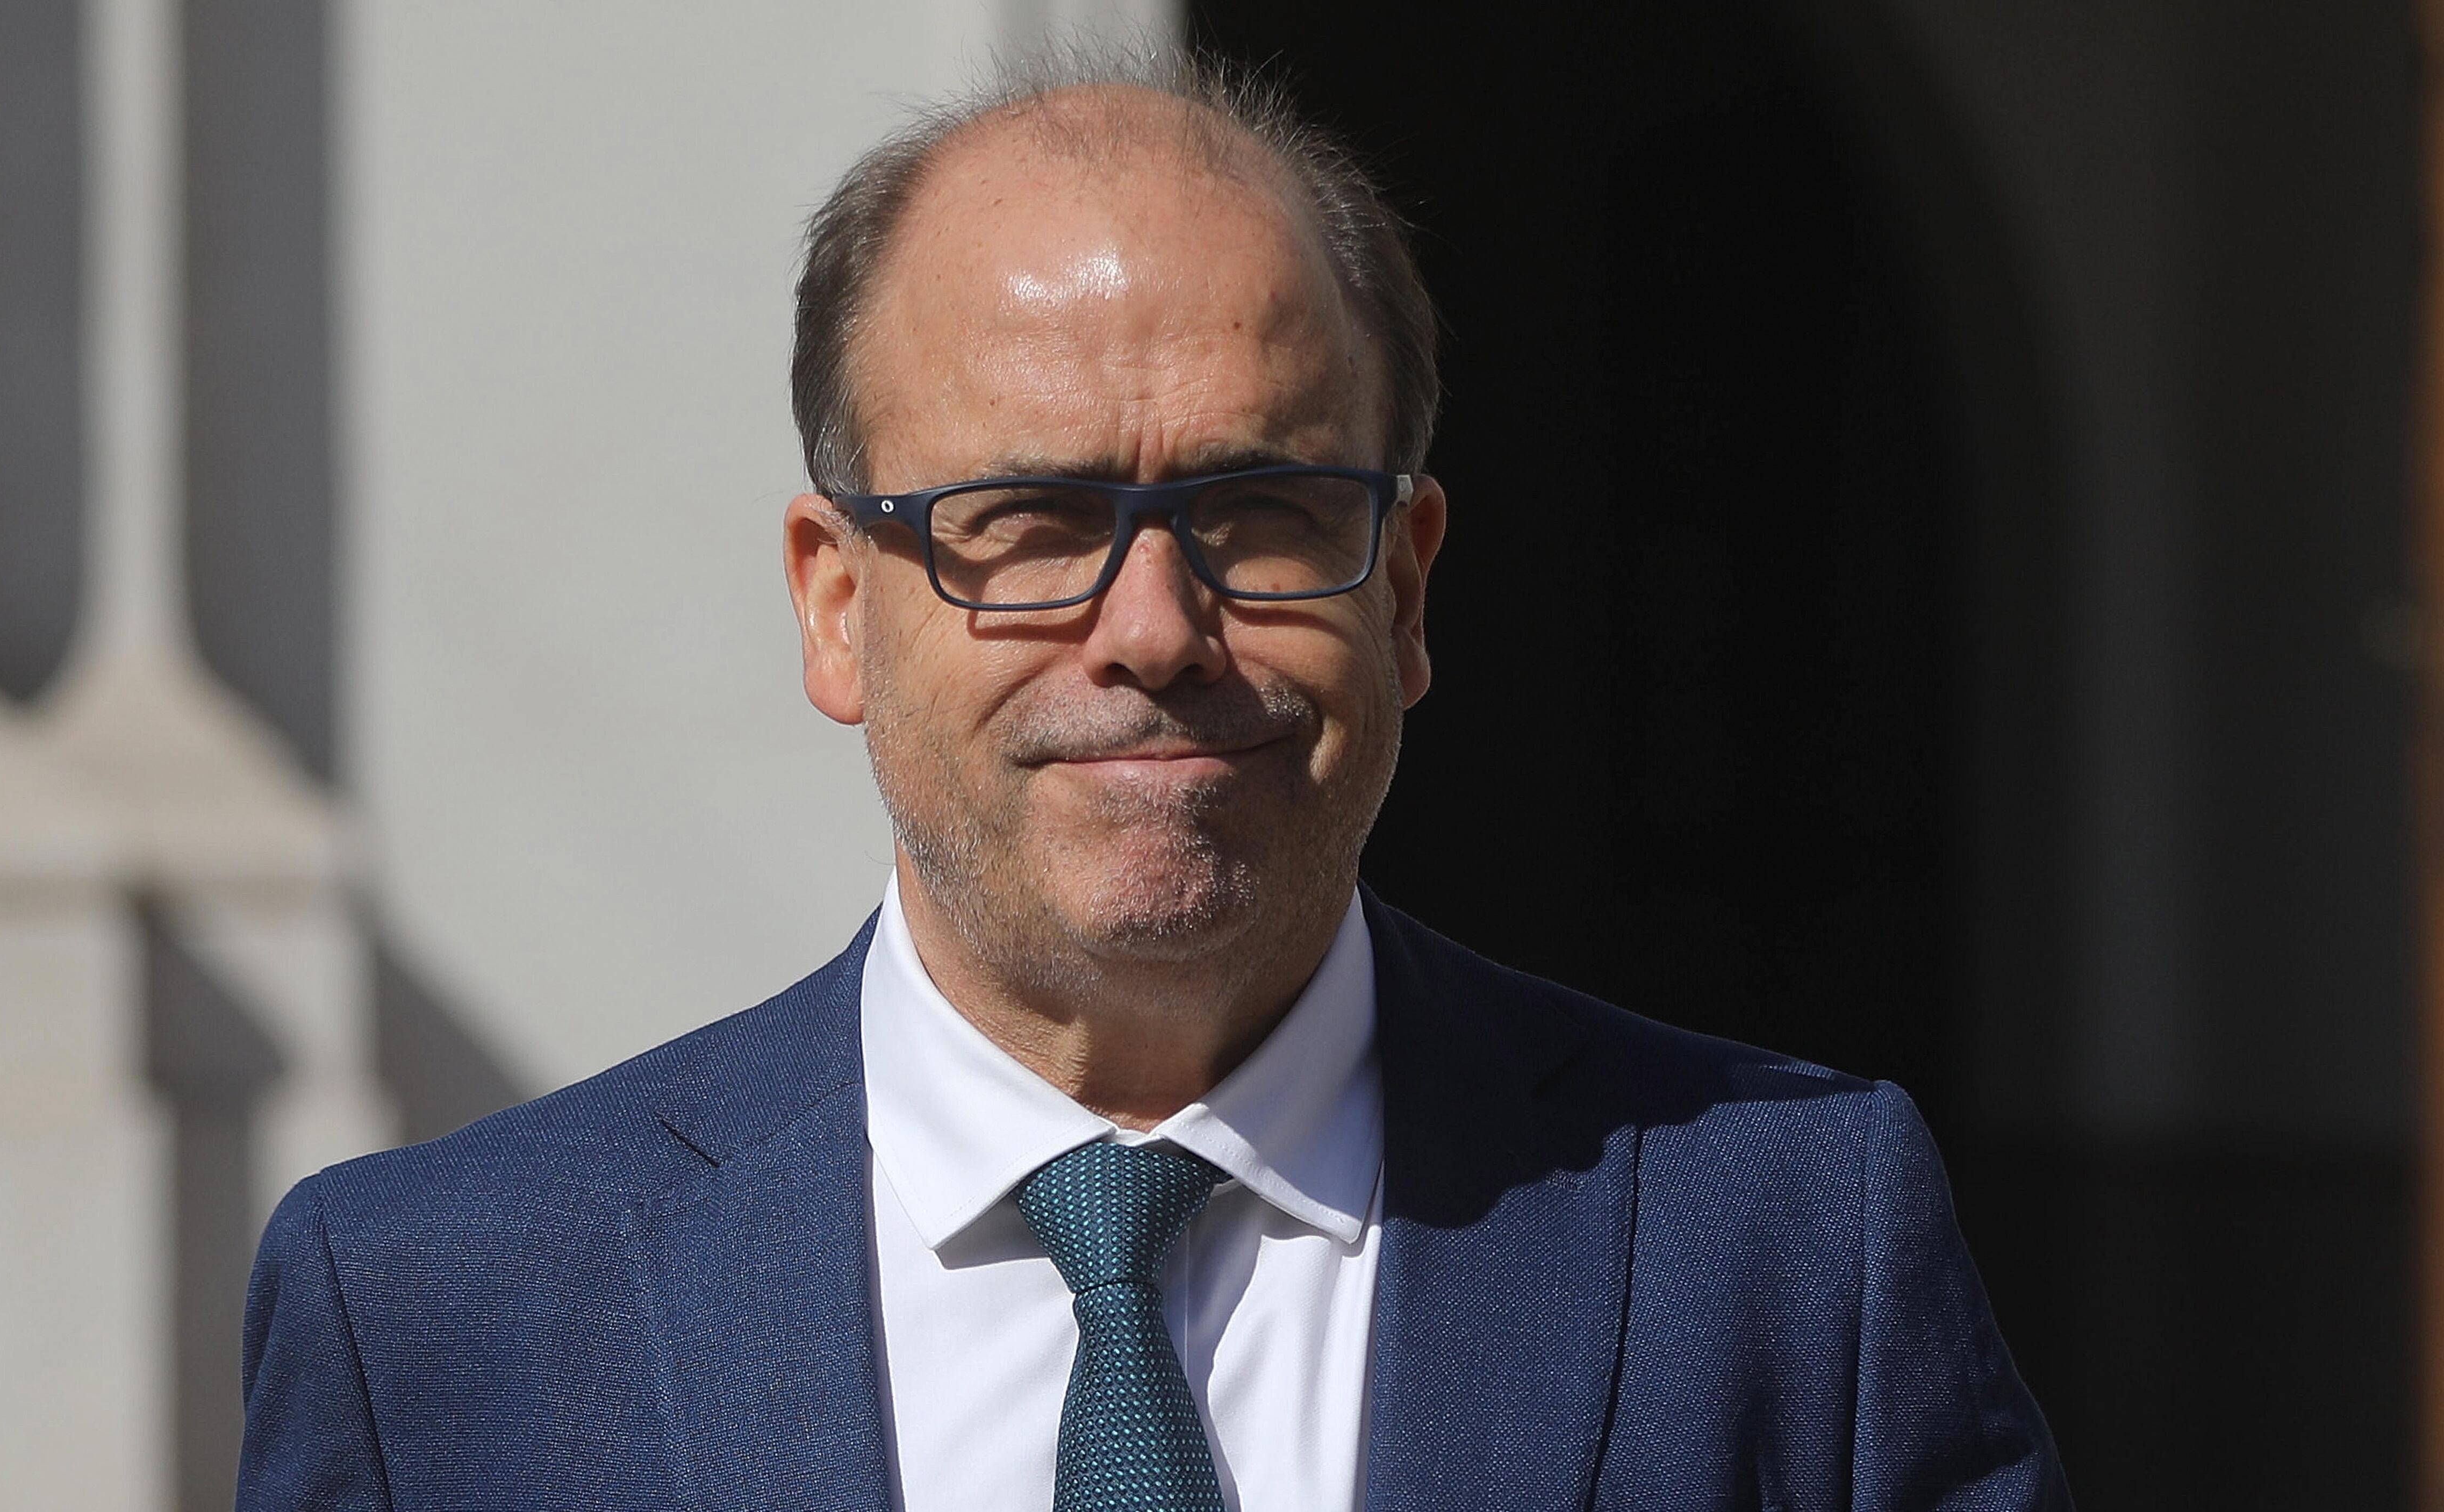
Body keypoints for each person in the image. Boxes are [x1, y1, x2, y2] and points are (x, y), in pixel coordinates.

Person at [238, 53, 2069, 1512]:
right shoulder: (441, 1315)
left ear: (1408, 586)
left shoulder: (1776, 1247)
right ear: (834, 605)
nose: (1154, 628)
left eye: (1261, 512)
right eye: (1028, 525)